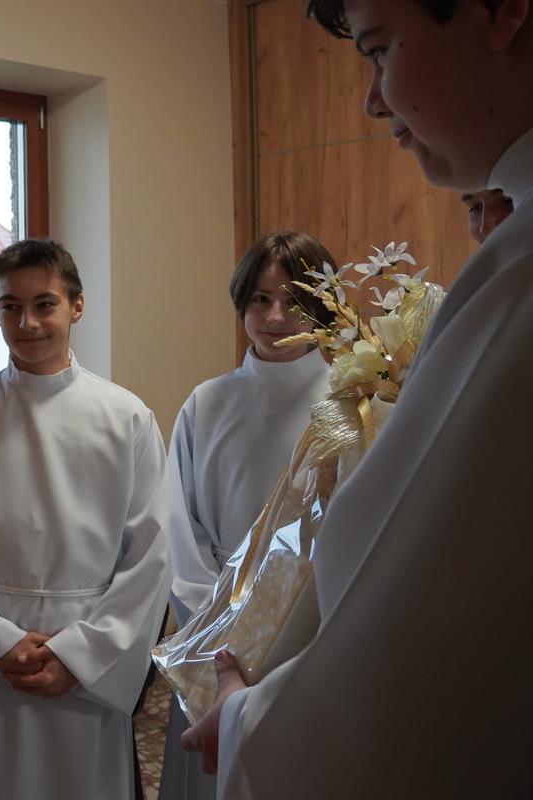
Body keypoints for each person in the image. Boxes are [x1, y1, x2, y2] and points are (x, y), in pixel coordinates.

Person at [181, 2, 533, 797]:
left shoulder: (513, 278)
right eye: (259, 299)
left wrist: (252, 719)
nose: (372, 101)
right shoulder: (206, 403)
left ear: (503, 12)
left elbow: (432, 624)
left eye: (377, 51)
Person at [0, 239, 171, 800]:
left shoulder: (127, 419)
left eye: (44, 304)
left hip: (86, 663)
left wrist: (81, 655)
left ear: (77, 306)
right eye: (10, 307)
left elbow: (150, 556)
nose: (27, 322)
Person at [159, 231, 335, 800]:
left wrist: (284, 631)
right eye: (260, 299)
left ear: (322, 305)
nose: (276, 317)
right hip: (213, 642)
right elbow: (179, 529)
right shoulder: (206, 403)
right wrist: (224, 632)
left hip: (308, 638)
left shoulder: (348, 403)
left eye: (294, 300)